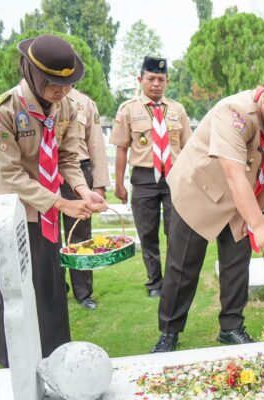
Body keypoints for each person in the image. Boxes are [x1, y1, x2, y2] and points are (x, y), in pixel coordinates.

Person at [152, 62, 264, 352]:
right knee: (182, 268)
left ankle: (231, 327)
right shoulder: (234, 113)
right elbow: (233, 173)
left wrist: (256, 216)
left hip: (243, 198)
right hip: (199, 192)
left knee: (237, 266)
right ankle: (169, 331)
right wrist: (258, 225)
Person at [0, 34, 107, 367]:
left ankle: (54, 353)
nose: (62, 91)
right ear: (33, 73)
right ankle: (12, 362)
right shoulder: (2, 111)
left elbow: (67, 155)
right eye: (54, 84)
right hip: (7, 209)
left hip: (47, 209)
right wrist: (62, 204)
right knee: (10, 288)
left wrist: (81, 190)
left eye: (67, 84)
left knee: (49, 281)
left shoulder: (66, 105)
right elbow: (12, 175)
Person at [110, 56, 192, 298]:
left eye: (161, 79)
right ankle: (155, 282)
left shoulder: (178, 110)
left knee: (175, 232)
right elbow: (122, 148)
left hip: (173, 180)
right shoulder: (128, 109)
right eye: (151, 79)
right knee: (147, 234)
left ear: (167, 81)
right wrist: (119, 184)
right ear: (140, 80)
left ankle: (173, 280)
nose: (156, 84)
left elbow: (189, 149)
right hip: (144, 179)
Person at [61, 88, 111, 310]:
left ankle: (84, 293)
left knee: (80, 236)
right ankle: (55, 287)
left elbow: (96, 145)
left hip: (78, 170)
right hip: (44, 171)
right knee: (46, 234)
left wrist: (99, 184)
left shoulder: (85, 103)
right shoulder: (37, 98)